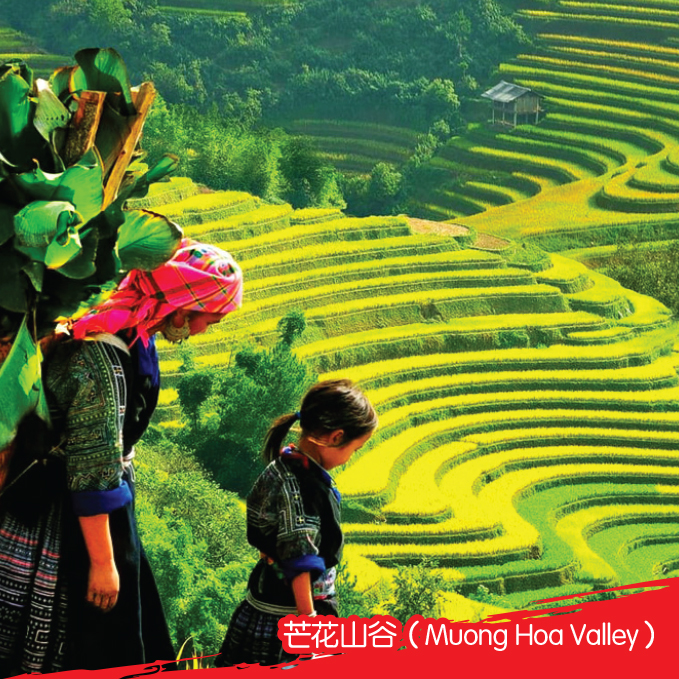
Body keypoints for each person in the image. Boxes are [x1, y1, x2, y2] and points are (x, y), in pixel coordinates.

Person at [0, 239, 242, 676]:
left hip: (86, 500)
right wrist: (103, 563)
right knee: (84, 637)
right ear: (184, 307)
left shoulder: (128, 330)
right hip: (67, 516)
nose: (205, 330)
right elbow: (92, 469)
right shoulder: (103, 356)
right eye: (211, 318)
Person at [216, 379, 378, 667]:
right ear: (336, 437)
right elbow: (299, 560)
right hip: (289, 620)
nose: (350, 457)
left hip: (263, 604)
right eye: (355, 449)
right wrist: (310, 624)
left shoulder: (281, 465)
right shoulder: (304, 486)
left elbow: (266, 526)